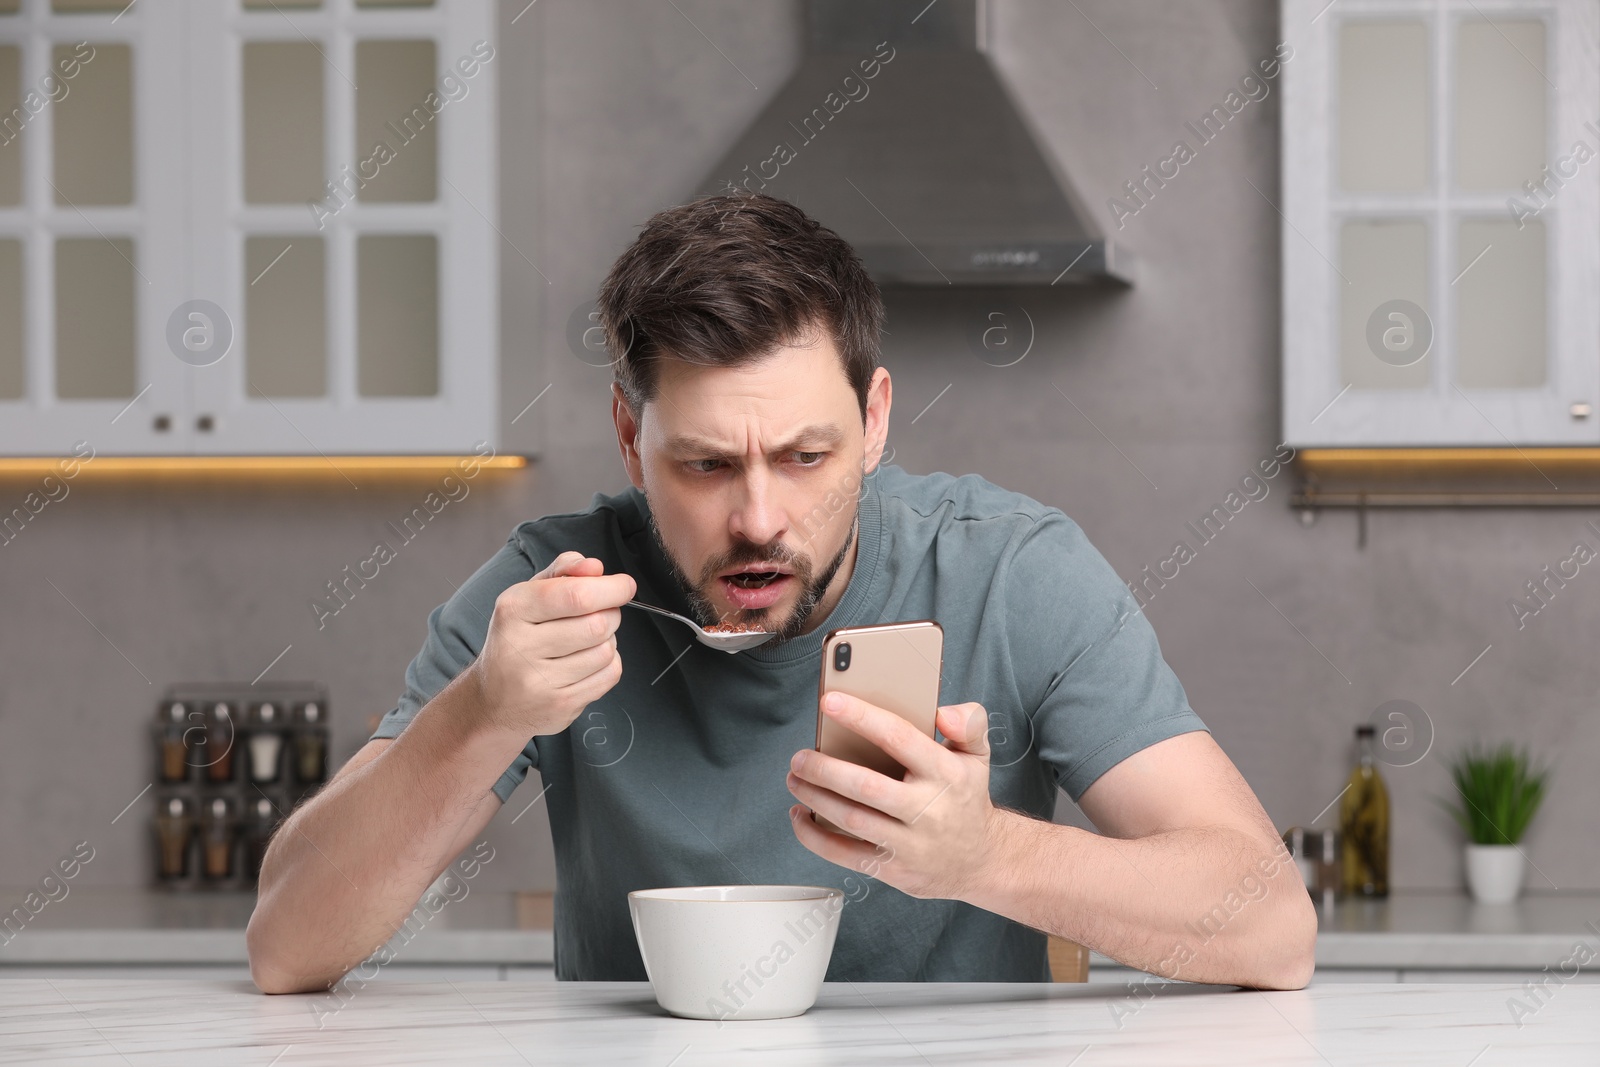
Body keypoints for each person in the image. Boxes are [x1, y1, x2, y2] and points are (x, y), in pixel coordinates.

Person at [247, 191, 1316, 993]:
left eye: (805, 456)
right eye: (706, 465)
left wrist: (987, 853)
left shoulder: (1013, 572)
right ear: (630, 435)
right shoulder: (553, 586)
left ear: (877, 419)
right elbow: (286, 944)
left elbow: (1269, 923)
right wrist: (482, 711)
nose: (757, 518)